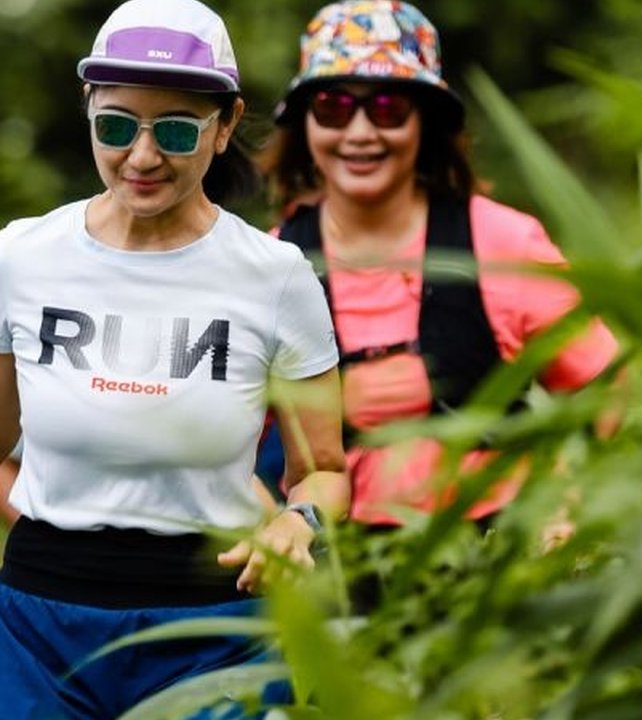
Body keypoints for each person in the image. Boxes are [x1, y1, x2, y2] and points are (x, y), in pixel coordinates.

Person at [0, 0, 348, 717]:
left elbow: (321, 469)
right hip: (42, 626)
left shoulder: (274, 276)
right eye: (116, 126)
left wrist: (300, 525)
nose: (141, 157)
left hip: (209, 628)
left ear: (225, 125)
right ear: (87, 108)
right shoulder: (23, 255)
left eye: (174, 129)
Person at [258, 2, 619, 556]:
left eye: (387, 107)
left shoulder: (501, 242)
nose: (359, 132)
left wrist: (573, 501)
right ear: (304, 125)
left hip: (491, 560)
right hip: (333, 568)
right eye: (331, 108)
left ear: (425, 122)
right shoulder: (271, 261)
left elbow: (605, 386)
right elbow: (223, 440)